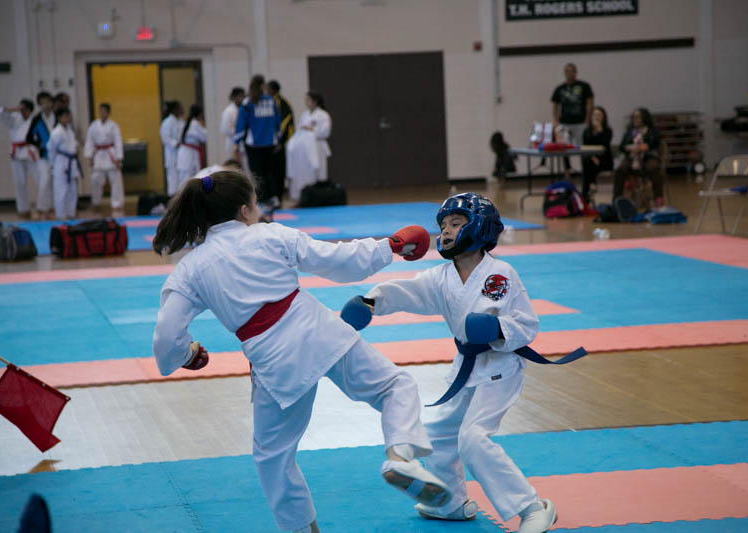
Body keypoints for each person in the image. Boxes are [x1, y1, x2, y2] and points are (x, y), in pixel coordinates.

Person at [151, 170, 450, 533]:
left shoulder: (190, 269)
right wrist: (389, 246)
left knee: (272, 458)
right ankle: (400, 456)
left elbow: (166, 336)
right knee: (395, 386)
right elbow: (336, 260)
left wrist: (184, 355)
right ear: (245, 210)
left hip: (273, 360)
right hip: (318, 330)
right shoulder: (270, 235)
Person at [339, 193, 558, 533]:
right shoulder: (442, 277)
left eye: (456, 224)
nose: (445, 231)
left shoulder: (501, 274)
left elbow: (527, 327)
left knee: (472, 440)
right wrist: (371, 302)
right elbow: (406, 291)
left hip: (500, 369)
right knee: (439, 435)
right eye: (442, 226)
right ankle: (451, 505)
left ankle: (532, 507)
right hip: (465, 367)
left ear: (480, 228)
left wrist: (498, 328)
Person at [234, 75, 281, 215]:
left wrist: (236, 142)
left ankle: (261, 200)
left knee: (256, 173)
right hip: (269, 142)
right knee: (268, 171)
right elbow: (277, 122)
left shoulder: (247, 103)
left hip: (254, 144)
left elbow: (241, 124)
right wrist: (278, 139)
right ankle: (273, 198)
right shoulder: (270, 101)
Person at [613, 107, 663, 214]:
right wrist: (630, 148)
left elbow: (656, 143)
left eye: (638, 117)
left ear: (644, 118)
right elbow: (622, 146)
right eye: (634, 117)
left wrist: (643, 147)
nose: (635, 119)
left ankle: (658, 198)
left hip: (648, 156)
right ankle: (616, 200)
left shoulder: (651, 131)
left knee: (653, 168)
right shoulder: (629, 132)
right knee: (620, 170)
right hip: (632, 157)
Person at [285, 91, 331, 203]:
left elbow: (325, 132)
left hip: (318, 146)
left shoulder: (323, 115)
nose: (306, 102)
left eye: (308, 100)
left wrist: (312, 130)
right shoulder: (305, 115)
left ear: (315, 101)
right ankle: (305, 196)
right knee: (305, 173)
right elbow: (299, 130)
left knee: (319, 173)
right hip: (304, 149)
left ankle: (319, 197)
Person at [0, 99, 38, 219]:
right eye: (21, 108)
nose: (22, 111)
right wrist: (10, 109)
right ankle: (23, 210)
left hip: (30, 151)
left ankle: (43, 208)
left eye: (25, 108)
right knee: (19, 183)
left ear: (30, 110)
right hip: (17, 153)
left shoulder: (34, 121)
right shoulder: (14, 119)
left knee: (40, 180)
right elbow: (2, 114)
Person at [551, 63, 594, 174]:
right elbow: (555, 106)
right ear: (565, 73)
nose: (570, 73)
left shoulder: (584, 86)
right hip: (564, 123)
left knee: (582, 148)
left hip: (580, 122)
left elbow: (590, 104)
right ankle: (567, 172)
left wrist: (587, 120)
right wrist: (557, 121)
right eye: (567, 71)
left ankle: (585, 171)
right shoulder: (560, 88)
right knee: (563, 148)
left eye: (572, 71)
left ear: (576, 72)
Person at [84, 103, 124, 216]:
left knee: (116, 180)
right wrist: (89, 156)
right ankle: (96, 202)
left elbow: (118, 142)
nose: (102, 113)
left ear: (108, 112)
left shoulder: (114, 126)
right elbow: (89, 142)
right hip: (98, 155)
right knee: (95, 179)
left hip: (111, 154)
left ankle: (117, 204)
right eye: (100, 111)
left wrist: (118, 158)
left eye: (104, 111)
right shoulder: (93, 125)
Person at [26, 91, 57, 219]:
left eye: (48, 102)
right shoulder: (37, 119)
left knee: (56, 183)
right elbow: (29, 137)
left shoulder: (57, 116)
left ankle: (52, 208)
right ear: (39, 104)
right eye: (43, 103)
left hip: (58, 155)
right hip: (43, 155)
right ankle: (40, 208)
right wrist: (38, 144)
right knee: (44, 182)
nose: (46, 105)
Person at [47, 108, 82, 220]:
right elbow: (51, 149)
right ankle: (61, 215)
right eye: (65, 116)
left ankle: (71, 213)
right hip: (61, 162)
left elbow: (75, 144)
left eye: (68, 116)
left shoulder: (69, 130)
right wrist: (52, 164)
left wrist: (76, 149)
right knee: (61, 190)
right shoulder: (56, 132)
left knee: (72, 190)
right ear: (59, 118)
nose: (68, 118)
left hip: (71, 161)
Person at [267, 80, 295, 204]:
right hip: (267, 144)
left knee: (279, 172)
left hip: (278, 145)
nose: (266, 91)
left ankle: (278, 197)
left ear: (273, 90)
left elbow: (286, 123)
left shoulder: (281, 103)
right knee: (269, 172)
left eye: (268, 89)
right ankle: (272, 197)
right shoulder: (266, 102)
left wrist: (280, 142)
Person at [580, 106, 614, 203]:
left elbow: (605, 144)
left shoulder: (607, 131)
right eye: (595, 115)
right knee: (588, 162)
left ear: (603, 117)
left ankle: (588, 192)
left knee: (588, 166)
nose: (597, 117)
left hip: (605, 161)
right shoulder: (587, 131)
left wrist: (600, 130)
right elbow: (586, 146)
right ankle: (591, 187)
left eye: (599, 115)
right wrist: (593, 157)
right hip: (591, 159)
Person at [176, 105, 207, 193]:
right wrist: (202, 124)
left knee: (185, 178)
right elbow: (205, 137)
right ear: (200, 114)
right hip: (189, 153)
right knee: (189, 177)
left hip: (186, 152)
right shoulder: (195, 124)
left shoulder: (186, 122)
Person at [160, 100, 185, 195]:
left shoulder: (182, 122)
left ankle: (181, 196)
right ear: (175, 110)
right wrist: (176, 143)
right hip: (172, 154)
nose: (182, 109)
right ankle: (172, 198)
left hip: (182, 153)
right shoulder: (167, 122)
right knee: (173, 178)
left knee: (181, 177)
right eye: (180, 108)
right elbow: (165, 138)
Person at [221, 87, 245, 160]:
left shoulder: (244, 109)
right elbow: (225, 129)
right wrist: (238, 132)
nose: (242, 99)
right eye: (240, 96)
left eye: (243, 97)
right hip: (232, 142)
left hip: (243, 144)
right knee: (233, 166)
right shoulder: (229, 111)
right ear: (234, 97)